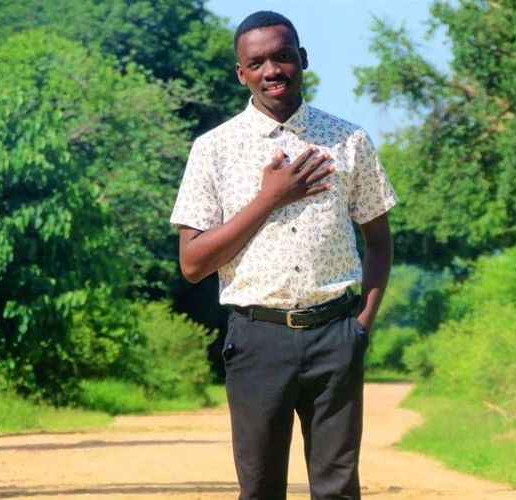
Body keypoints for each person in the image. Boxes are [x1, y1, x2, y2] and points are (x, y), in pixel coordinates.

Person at [170, 10, 397, 500]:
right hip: (257, 339)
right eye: (257, 63)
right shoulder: (214, 149)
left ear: (303, 59)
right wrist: (270, 198)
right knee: (259, 490)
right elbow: (192, 264)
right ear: (241, 74)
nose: (272, 70)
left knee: (338, 490)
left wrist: (360, 328)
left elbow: (379, 240)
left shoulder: (348, 140)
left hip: (335, 336)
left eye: (283, 56)